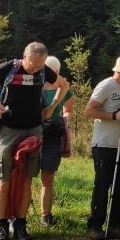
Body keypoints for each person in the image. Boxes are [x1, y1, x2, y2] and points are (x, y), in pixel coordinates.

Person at [0, 42, 69, 240]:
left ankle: (20, 226)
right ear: (24, 56)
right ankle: (0, 227)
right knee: (4, 178)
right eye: (33, 64)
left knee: (27, 177)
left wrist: (51, 108)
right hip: (7, 129)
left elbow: (64, 85)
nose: (35, 69)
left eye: (40, 66)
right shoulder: (9, 68)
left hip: (33, 129)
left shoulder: (43, 70)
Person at [83, 55, 120, 240]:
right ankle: (95, 225)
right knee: (102, 185)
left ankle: (115, 224)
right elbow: (88, 111)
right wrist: (114, 115)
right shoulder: (106, 85)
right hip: (104, 143)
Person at [39, 56, 75, 227]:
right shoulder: (34, 86)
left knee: (48, 176)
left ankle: (45, 215)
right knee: (24, 176)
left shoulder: (65, 89)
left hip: (53, 134)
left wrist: (62, 120)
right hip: (33, 133)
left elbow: (68, 110)